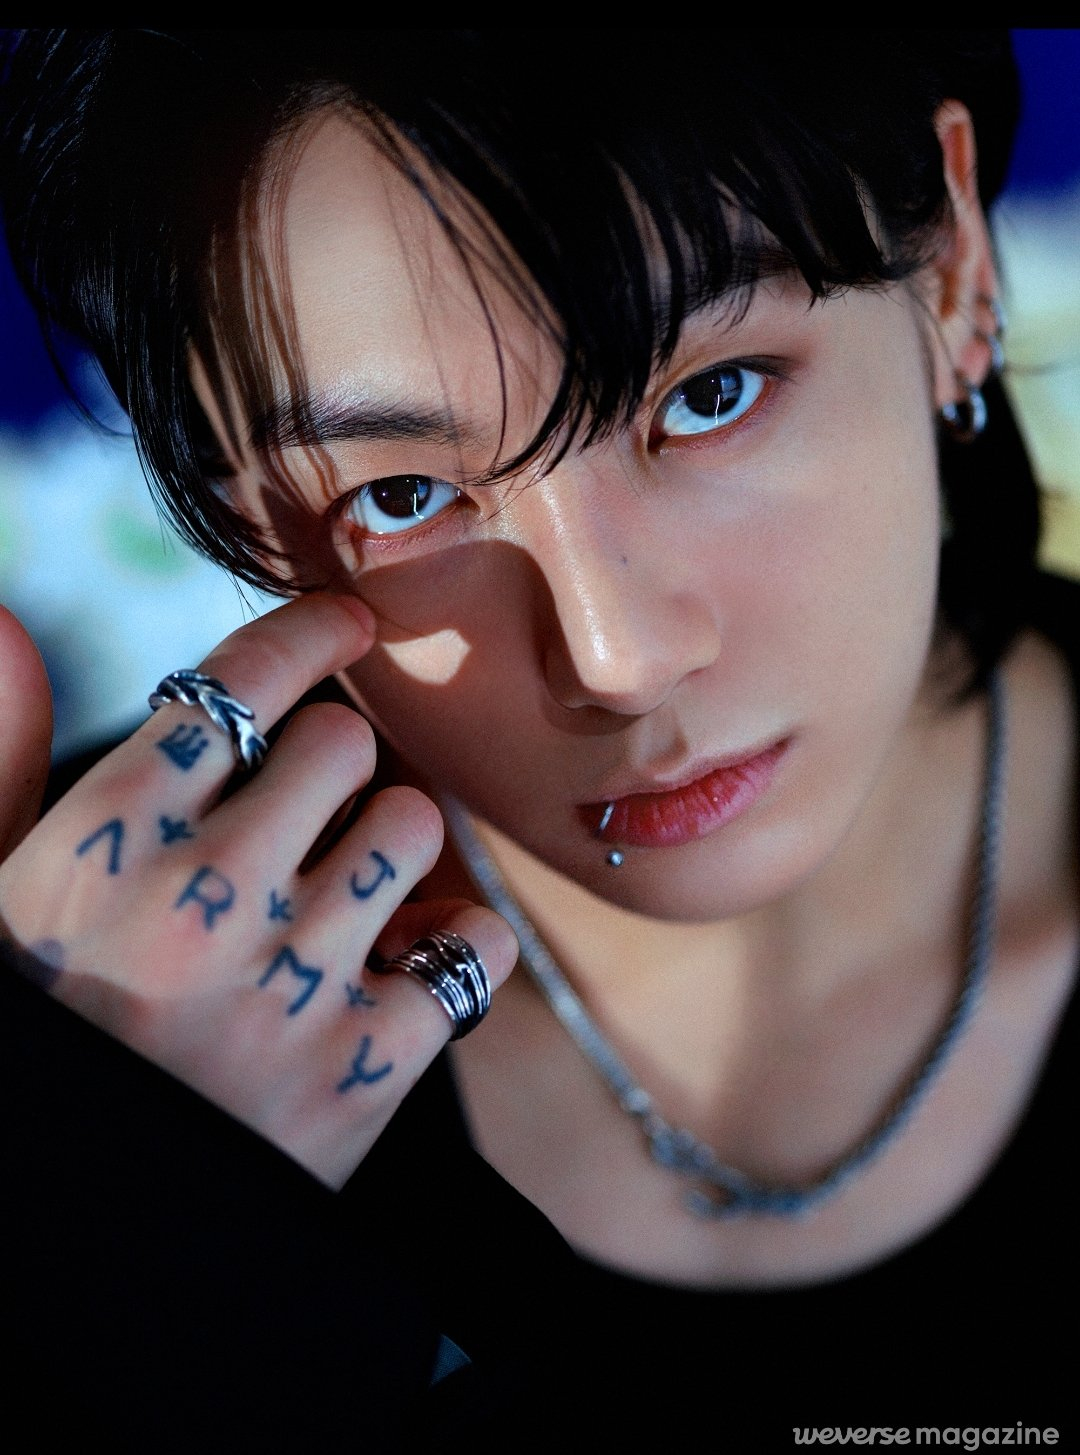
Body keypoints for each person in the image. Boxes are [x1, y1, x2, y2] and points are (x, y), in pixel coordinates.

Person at [0, 27, 1074, 1447]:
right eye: (400, 495)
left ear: (951, 271)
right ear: (237, 505)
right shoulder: (81, 1032)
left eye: (712, 396)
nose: (617, 660)